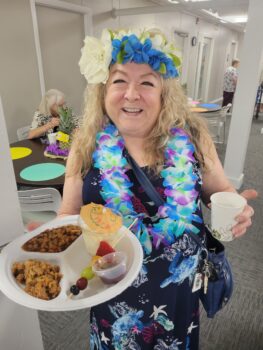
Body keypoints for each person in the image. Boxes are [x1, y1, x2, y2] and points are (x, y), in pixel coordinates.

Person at [59, 29, 257, 349]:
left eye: (147, 82)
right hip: (112, 290)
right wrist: (55, 238)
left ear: (164, 92)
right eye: (119, 80)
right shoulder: (85, 143)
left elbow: (217, 187)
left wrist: (234, 205)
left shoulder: (192, 135)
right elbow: (68, 213)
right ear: (102, 90)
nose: (132, 93)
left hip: (177, 294)